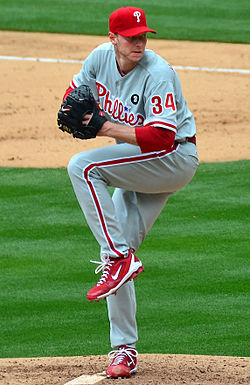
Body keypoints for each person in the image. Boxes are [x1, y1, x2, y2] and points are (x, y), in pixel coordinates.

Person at [60, 6, 199, 379]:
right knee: (115, 257)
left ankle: (120, 258)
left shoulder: (158, 73)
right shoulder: (98, 59)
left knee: (83, 166)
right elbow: (74, 93)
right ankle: (124, 350)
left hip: (174, 158)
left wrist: (103, 128)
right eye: (131, 36)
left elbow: (162, 137)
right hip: (140, 160)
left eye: (143, 36)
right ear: (113, 39)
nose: (139, 42)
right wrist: (69, 106)